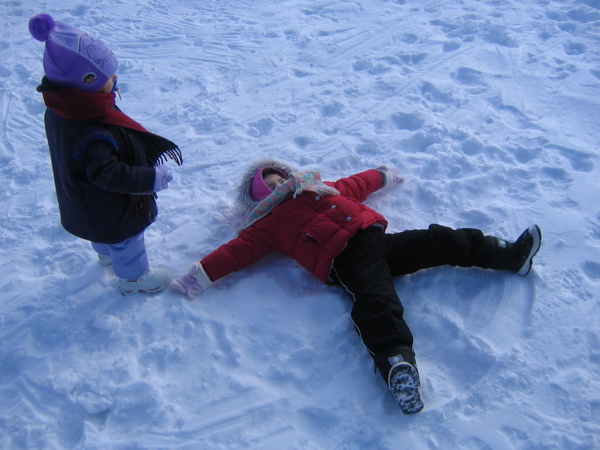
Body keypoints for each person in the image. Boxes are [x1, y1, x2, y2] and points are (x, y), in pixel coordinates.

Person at [170, 158, 542, 414]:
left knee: (439, 240)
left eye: (279, 177)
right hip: (344, 259)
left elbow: (355, 185)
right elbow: (239, 251)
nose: (279, 185)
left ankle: (509, 255)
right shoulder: (267, 224)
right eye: (268, 186)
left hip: (378, 240)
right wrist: (199, 275)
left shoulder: (320, 188)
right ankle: (397, 365)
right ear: (259, 200)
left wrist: (381, 175)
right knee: (376, 300)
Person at [29, 14, 182, 295]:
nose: (115, 79)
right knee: (127, 239)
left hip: (82, 200)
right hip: (110, 208)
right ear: (87, 82)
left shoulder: (63, 109)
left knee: (103, 234)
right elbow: (108, 174)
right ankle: (134, 279)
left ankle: (106, 255)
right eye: (108, 76)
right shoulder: (92, 129)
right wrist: (150, 179)